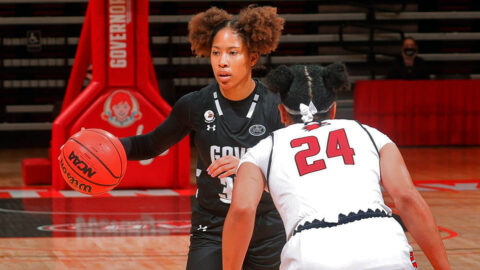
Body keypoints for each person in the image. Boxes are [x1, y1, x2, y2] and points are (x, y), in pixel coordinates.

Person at [223, 63, 451, 270]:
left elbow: (242, 210)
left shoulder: (263, 150)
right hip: (384, 246)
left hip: (311, 255)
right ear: (333, 110)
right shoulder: (369, 133)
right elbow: (407, 198)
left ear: (282, 113)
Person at [119, 5, 286, 270]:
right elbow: (150, 144)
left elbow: (294, 169)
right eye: (216, 53)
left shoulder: (275, 106)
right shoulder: (196, 104)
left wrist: (249, 167)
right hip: (212, 226)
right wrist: (109, 145)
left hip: (266, 226)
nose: (222, 61)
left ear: (253, 58)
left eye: (233, 53)